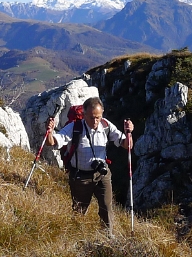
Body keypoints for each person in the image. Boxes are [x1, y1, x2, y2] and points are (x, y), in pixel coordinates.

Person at [46, 97, 134, 229]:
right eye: (92, 117)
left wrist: (129, 133)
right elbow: (52, 142)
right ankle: (76, 234)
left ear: (102, 113)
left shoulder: (106, 126)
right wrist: (49, 132)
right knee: (79, 211)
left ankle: (108, 238)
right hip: (80, 178)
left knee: (107, 207)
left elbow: (127, 146)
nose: (95, 121)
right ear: (84, 114)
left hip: (102, 174)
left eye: (98, 117)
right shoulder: (75, 128)